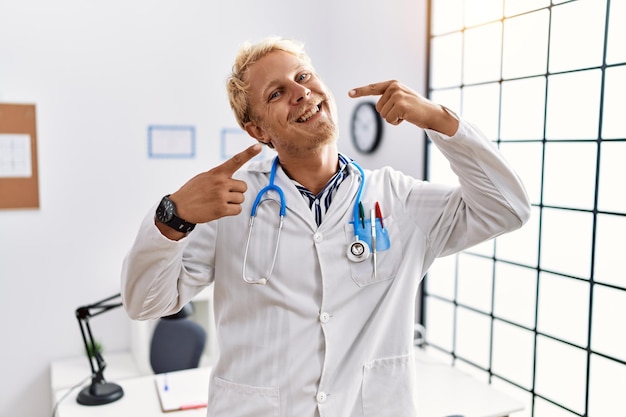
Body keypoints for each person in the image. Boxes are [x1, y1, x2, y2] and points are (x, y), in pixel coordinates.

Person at [121, 36, 530, 417]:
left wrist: (439, 120)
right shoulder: (233, 202)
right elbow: (145, 303)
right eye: (277, 93)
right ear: (258, 130)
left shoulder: (396, 198)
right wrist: (173, 217)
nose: (300, 92)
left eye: (303, 77)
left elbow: (508, 207)